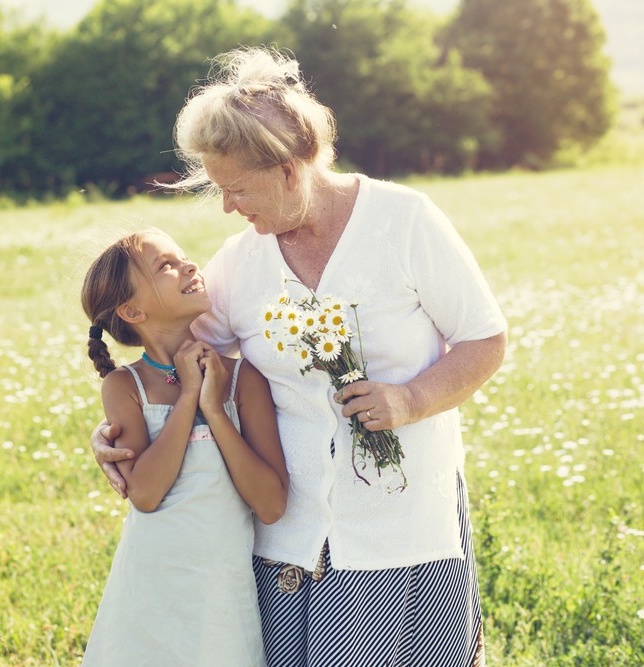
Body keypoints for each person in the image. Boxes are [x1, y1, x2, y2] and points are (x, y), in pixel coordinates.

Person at [91, 47, 506, 666]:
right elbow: (172, 351)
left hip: (403, 540)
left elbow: (485, 338)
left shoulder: (404, 220)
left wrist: (409, 399)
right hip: (284, 549)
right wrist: (114, 431)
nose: (228, 207)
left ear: (288, 170)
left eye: (235, 189)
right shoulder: (240, 262)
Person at [79, 228, 289, 666]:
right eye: (165, 266)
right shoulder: (126, 386)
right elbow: (146, 494)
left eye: (182, 256)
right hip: (149, 586)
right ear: (132, 309)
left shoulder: (241, 378)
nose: (190, 266)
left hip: (221, 593)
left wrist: (214, 408)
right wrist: (189, 395)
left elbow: (270, 505)